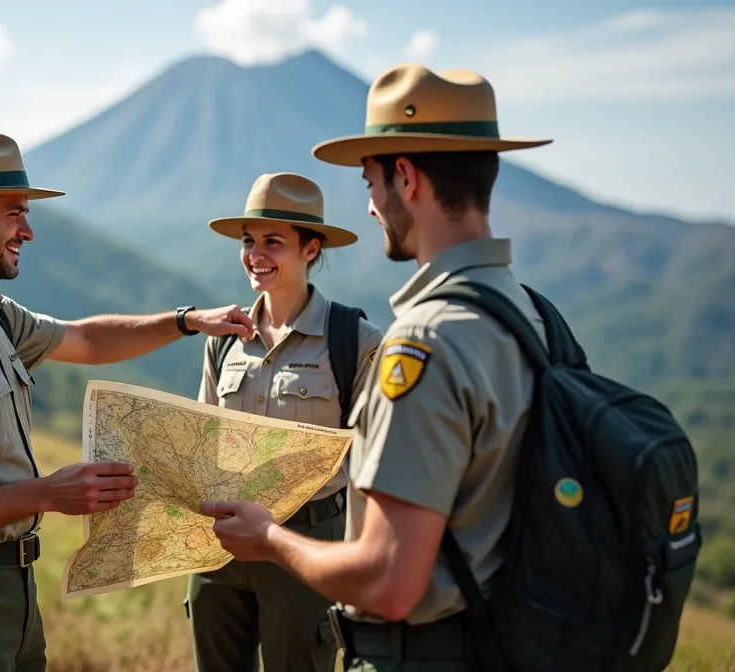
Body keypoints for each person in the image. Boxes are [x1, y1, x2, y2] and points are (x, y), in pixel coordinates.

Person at [0, 130, 256, 672]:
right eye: (15, 213)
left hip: (8, 593)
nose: (28, 231)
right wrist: (45, 494)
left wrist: (186, 321)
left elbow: (86, 340)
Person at [199, 63, 554, 671]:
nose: (369, 207)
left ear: (406, 178)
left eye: (369, 181)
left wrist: (272, 540)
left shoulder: (421, 342)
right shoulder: (533, 315)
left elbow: (388, 579)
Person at [185, 172, 384, 672]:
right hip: (222, 545)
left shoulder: (356, 340)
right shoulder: (223, 339)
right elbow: (204, 440)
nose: (256, 254)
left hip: (307, 544)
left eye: (273, 242)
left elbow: (374, 459)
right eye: (248, 241)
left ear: (311, 248)